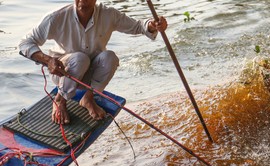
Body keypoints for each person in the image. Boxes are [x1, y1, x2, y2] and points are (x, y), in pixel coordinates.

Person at [19, 0, 167, 125]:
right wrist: (48, 60)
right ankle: (59, 100)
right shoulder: (57, 17)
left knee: (110, 57)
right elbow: (25, 43)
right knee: (80, 58)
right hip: (63, 72)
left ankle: (88, 98)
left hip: (90, 74)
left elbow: (138, 26)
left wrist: (153, 25)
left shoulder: (108, 14)